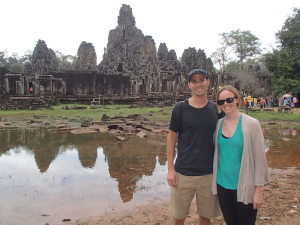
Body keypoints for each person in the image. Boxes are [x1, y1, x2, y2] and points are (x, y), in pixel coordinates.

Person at [167, 68, 221, 225]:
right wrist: (171, 169)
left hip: (209, 173)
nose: (198, 84)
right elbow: (171, 139)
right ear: (189, 85)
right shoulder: (180, 108)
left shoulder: (215, 109)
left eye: (201, 80)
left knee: (206, 217)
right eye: (194, 81)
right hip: (183, 172)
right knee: (178, 217)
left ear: (208, 82)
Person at [212, 85, 269, 225]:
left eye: (229, 99)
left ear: (237, 100)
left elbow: (260, 159)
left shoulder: (252, 124)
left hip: (245, 185)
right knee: (230, 222)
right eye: (221, 102)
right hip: (223, 185)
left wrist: (259, 191)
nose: (226, 104)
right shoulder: (218, 124)